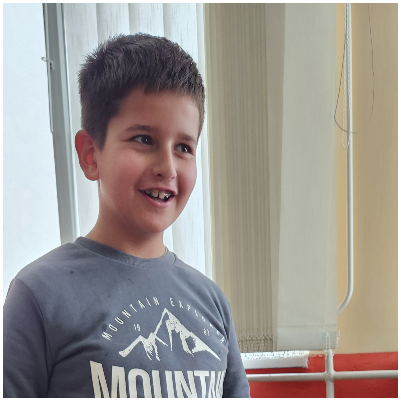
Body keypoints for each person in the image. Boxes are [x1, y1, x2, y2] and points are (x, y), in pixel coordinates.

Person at [3, 33, 250, 398]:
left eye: (184, 147)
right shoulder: (39, 295)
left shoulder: (211, 302)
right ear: (90, 155)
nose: (167, 167)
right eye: (143, 140)